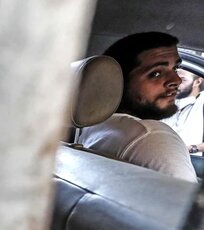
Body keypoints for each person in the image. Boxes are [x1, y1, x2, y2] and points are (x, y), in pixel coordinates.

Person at [75, 32, 197, 182]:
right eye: (156, 73)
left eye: (176, 68)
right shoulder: (152, 136)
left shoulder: (95, 127)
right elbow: (187, 203)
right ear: (119, 81)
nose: (176, 80)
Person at [162, 68, 204, 156]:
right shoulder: (165, 101)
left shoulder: (201, 102)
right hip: (159, 157)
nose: (177, 83)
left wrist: (192, 148)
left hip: (189, 161)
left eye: (183, 79)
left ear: (197, 82)